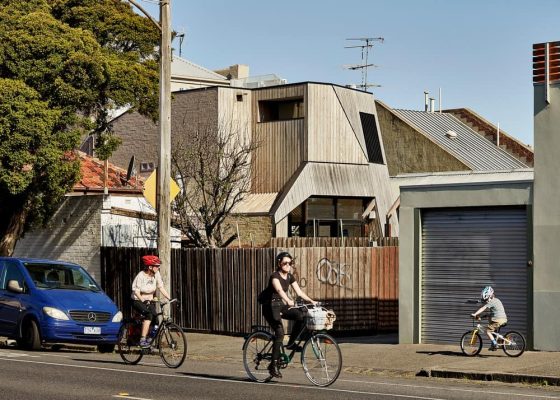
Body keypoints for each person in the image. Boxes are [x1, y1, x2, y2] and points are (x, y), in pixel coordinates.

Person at [261, 251, 317, 378]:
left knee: (301, 315)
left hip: (281, 304)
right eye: (285, 263)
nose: (287, 265)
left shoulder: (290, 276)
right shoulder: (274, 276)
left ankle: (291, 343)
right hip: (270, 306)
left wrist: (312, 301)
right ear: (279, 263)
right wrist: (288, 300)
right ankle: (273, 366)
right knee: (280, 333)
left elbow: (299, 292)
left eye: (290, 263)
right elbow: (279, 290)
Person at [131, 255, 172, 347]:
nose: (158, 268)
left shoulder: (156, 274)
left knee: (156, 320)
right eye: (156, 266)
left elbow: (161, 287)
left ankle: (149, 339)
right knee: (148, 315)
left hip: (149, 301)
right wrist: (143, 300)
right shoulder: (140, 276)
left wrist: (170, 298)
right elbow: (136, 292)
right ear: (150, 267)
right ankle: (142, 340)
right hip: (138, 300)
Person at [471, 286, 508, 351]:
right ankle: (493, 345)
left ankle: (495, 344)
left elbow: (483, 308)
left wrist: (475, 314)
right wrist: (481, 318)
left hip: (498, 320)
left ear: (490, 296)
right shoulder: (497, 300)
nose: (486, 301)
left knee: (488, 331)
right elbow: (490, 314)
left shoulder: (492, 302)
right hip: (503, 319)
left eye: (487, 299)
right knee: (493, 330)